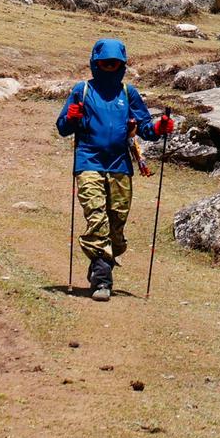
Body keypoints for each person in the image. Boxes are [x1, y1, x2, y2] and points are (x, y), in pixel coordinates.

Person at [57, 38, 173, 301]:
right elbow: (63, 127)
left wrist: (159, 128)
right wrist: (72, 118)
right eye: (105, 63)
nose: (110, 67)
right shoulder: (82, 90)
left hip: (120, 166)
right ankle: (102, 280)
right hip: (88, 163)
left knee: (116, 228)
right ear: (95, 63)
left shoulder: (128, 93)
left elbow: (145, 127)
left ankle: (102, 261)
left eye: (115, 63)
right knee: (97, 219)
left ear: (122, 65)